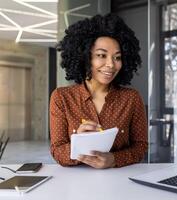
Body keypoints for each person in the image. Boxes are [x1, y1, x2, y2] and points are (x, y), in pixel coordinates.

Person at [49, 14, 148, 169]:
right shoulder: (62, 97)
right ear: (85, 57)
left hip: (121, 183)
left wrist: (114, 159)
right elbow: (57, 150)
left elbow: (141, 147)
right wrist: (78, 144)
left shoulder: (131, 98)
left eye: (117, 57)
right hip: (75, 183)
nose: (111, 64)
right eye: (101, 55)